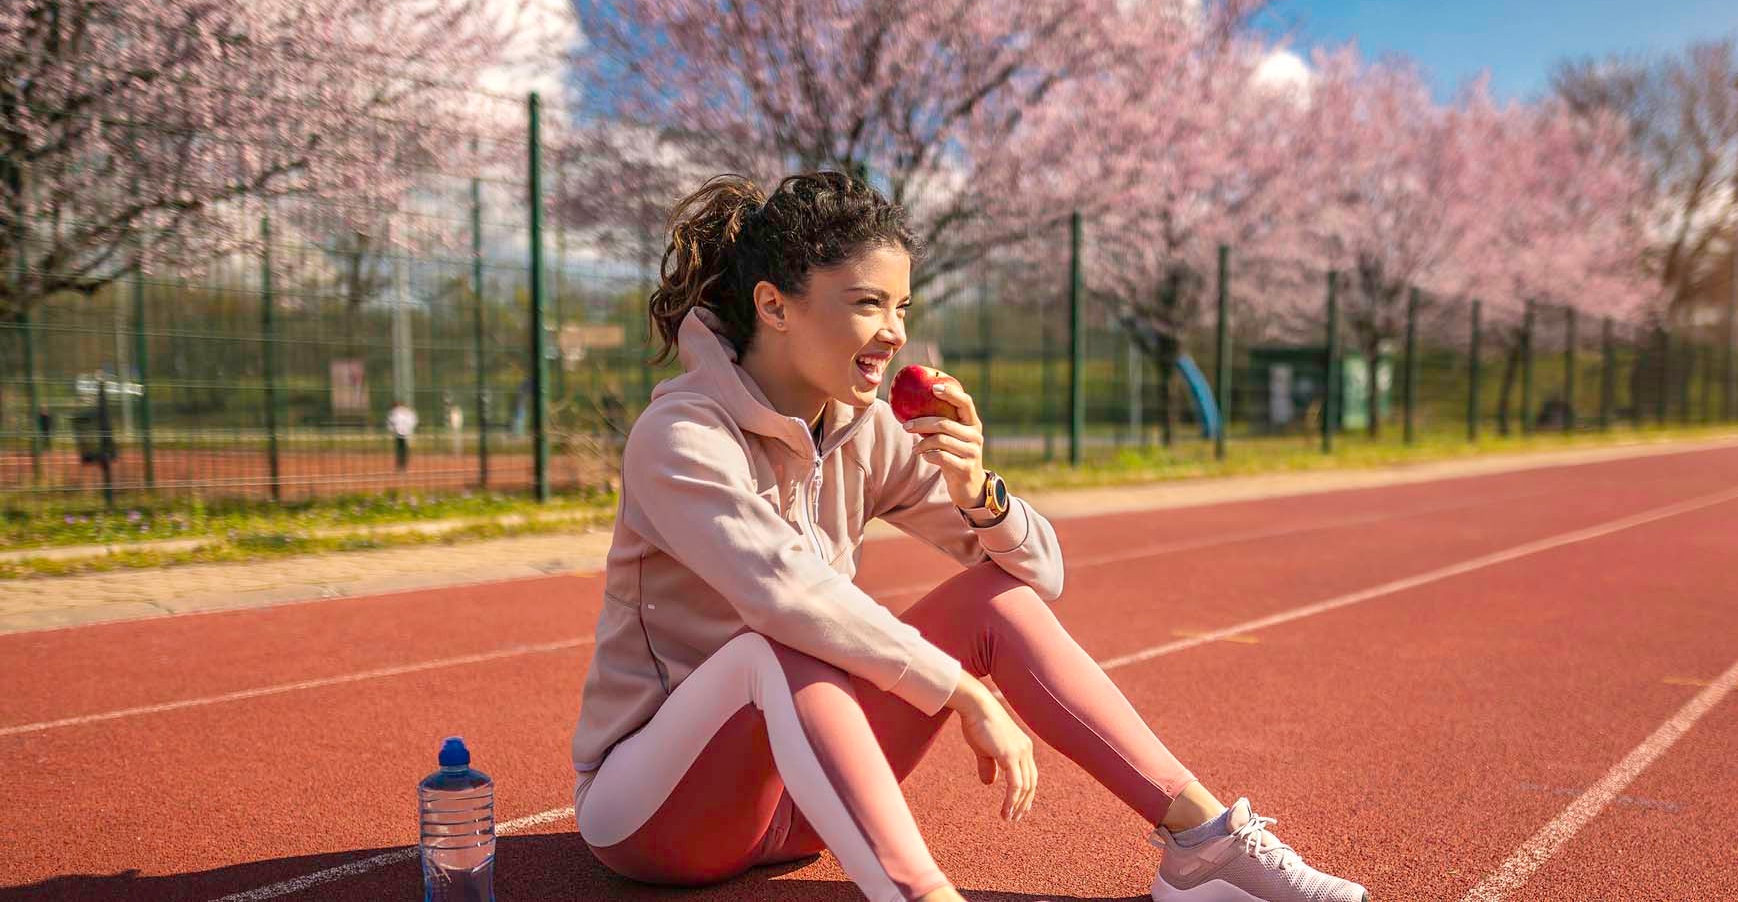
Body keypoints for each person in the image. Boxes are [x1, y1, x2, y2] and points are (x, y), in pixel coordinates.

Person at [569, 172, 1368, 902]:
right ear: (775, 305)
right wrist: (958, 689)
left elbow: (1039, 575)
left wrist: (975, 491)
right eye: (865, 303)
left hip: (803, 804)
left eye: (902, 308)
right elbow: (782, 593)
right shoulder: (679, 434)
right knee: (776, 644)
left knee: (995, 599)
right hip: (662, 818)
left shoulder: (864, 430)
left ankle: (1201, 846)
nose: (891, 333)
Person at [387, 400, 417, 471]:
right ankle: (402, 466)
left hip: (399, 434)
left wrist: (392, 430)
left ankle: (400, 466)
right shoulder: (408, 412)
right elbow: (413, 421)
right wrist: (409, 430)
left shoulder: (394, 412)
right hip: (406, 433)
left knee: (400, 450)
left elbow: (391, 422)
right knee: (404, 450)